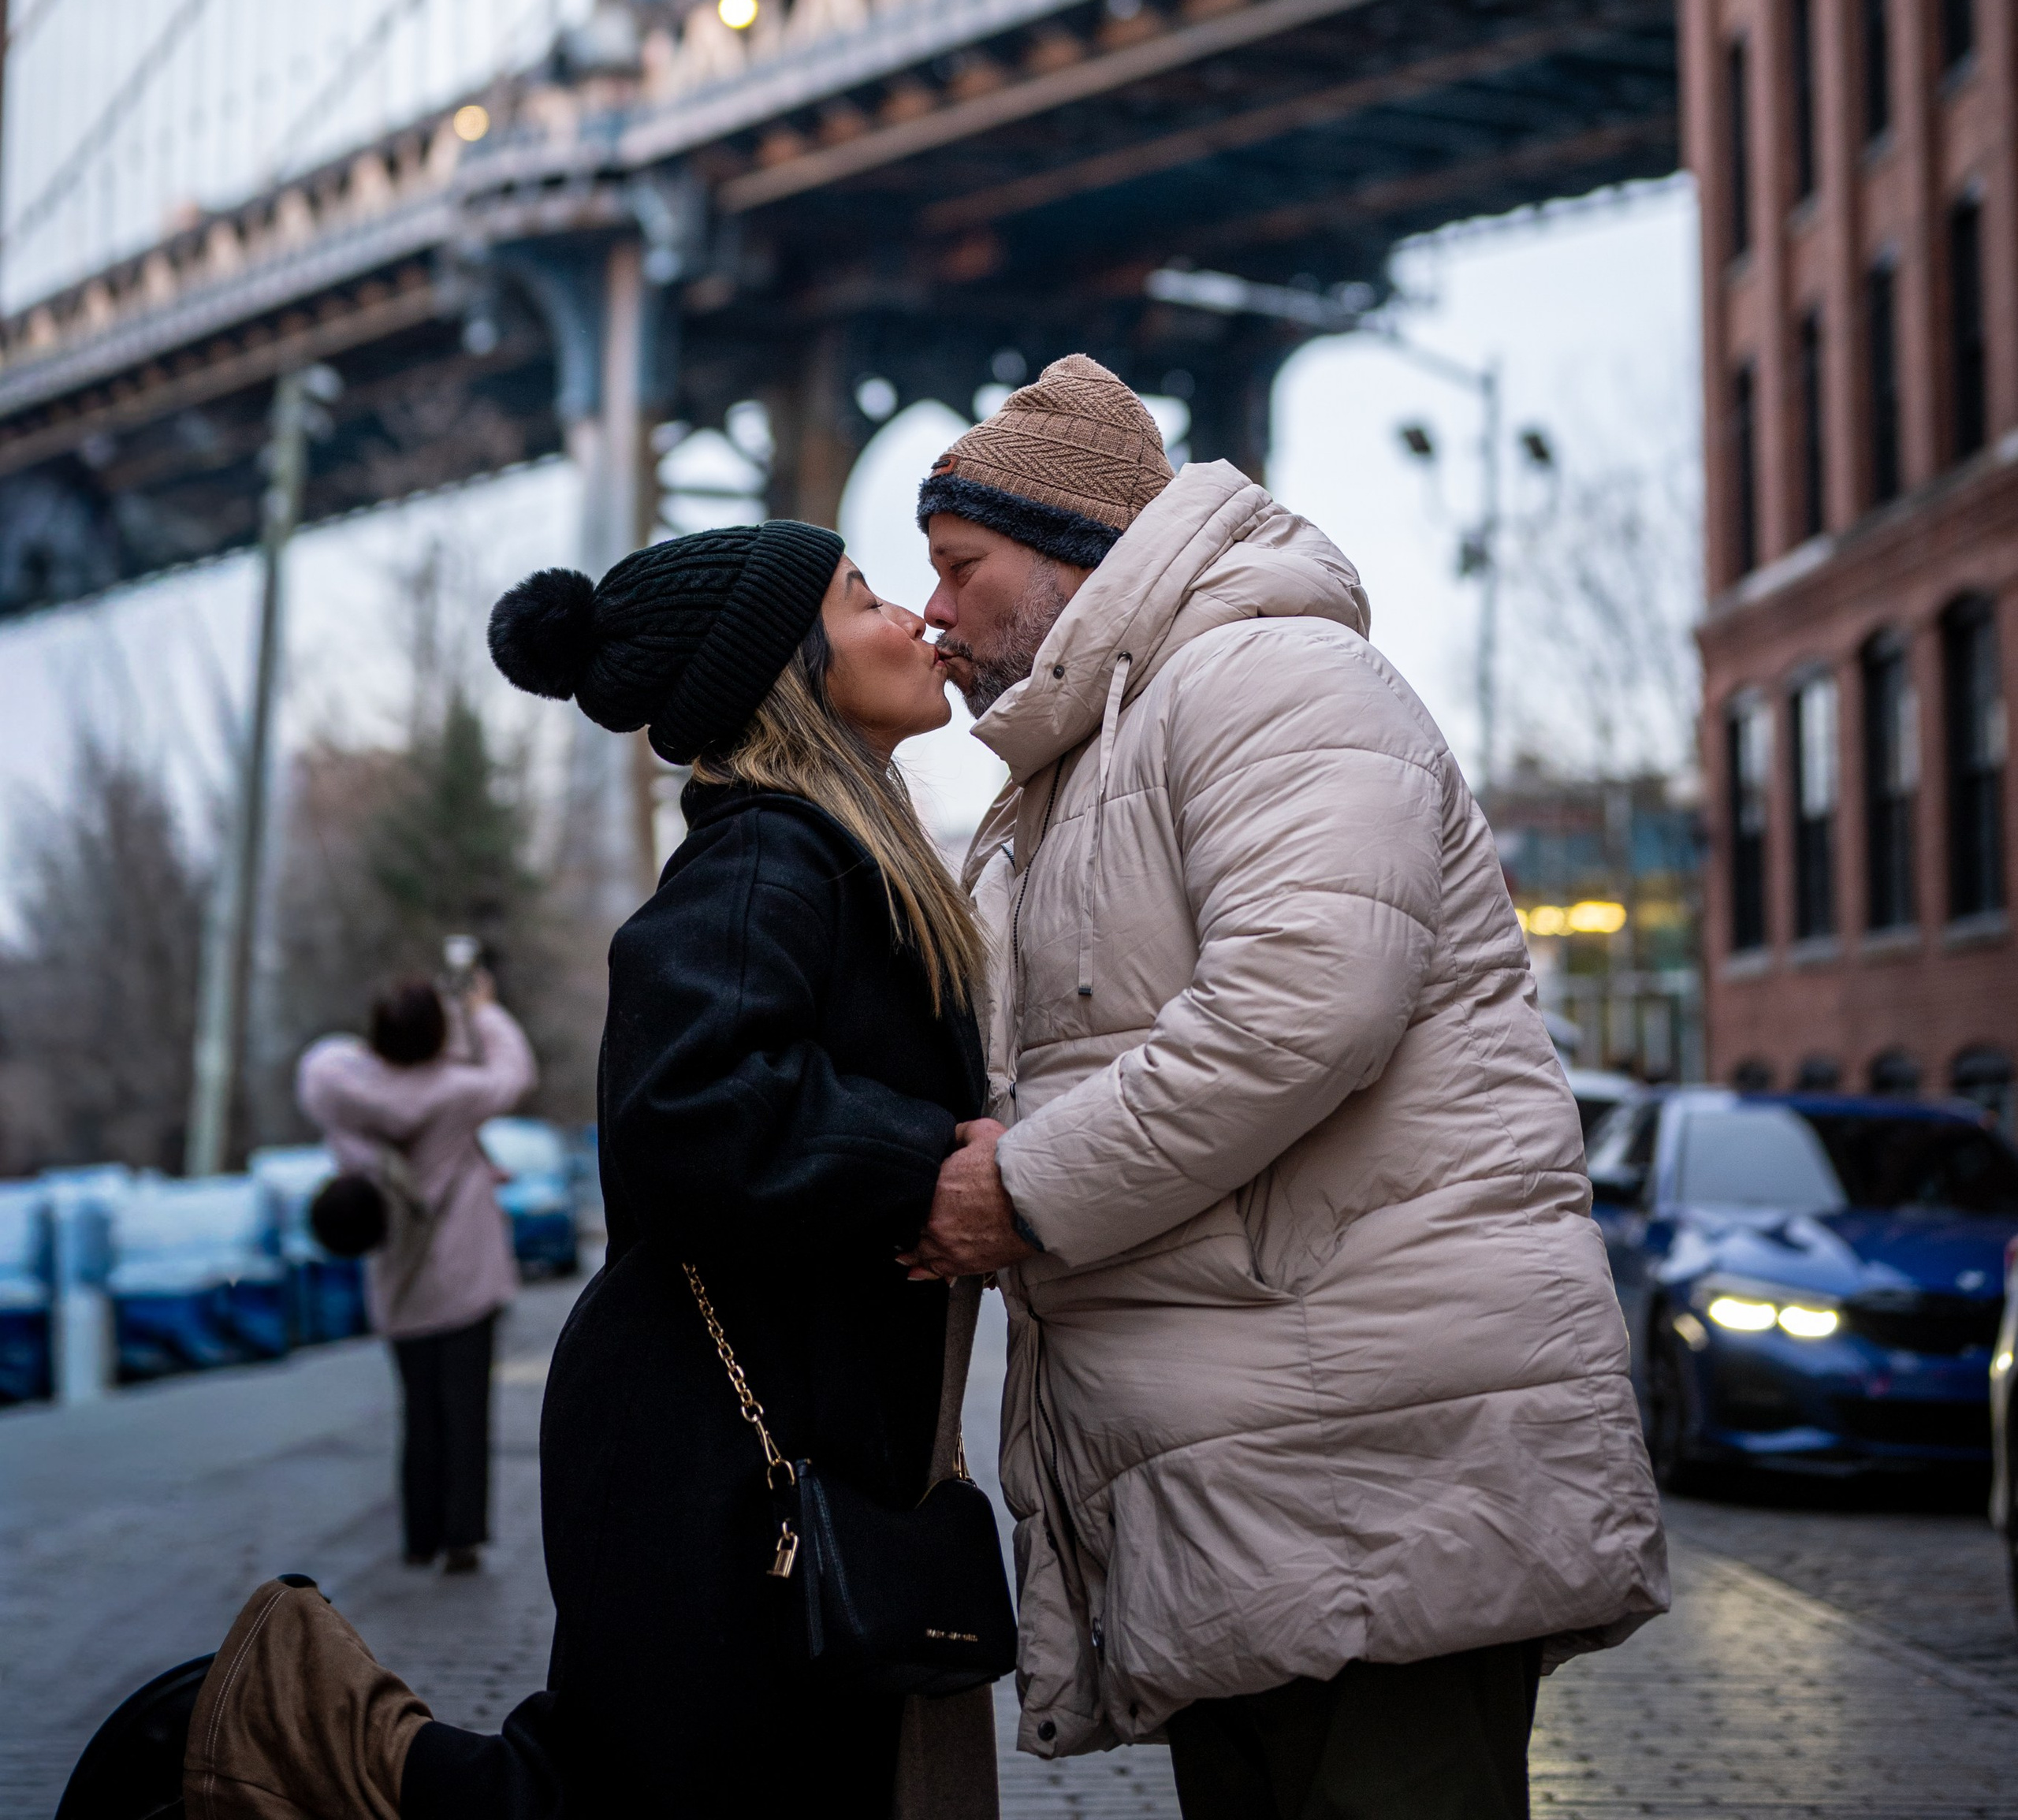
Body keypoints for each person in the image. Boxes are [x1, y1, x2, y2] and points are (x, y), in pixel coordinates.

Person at [56, 519, 988, 1820]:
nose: (913, 618)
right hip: (704, 1448)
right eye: (864, 596)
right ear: (791, 666)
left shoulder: (831, 852)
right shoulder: (765, 852)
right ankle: (268, 1720)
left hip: (772, 1431)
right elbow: (688, 1113)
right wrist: (931, 1160)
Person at [902, 354, 1669, 1820]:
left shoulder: (1272, 677)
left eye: (959, 565)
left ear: (1072, 554)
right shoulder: (1102, 749)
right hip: (1268, 1482)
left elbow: (1305, 1003)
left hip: (1377, 1473)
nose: (935, 611)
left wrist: (1019, 1186)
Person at [298, 966, 535, 1573]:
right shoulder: (456, 1092)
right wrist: (481, 1011)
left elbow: (319, 1062)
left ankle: (418, 1534)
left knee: (418, 1410)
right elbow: (515, 1073)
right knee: (466, 1408)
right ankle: (462, 1536)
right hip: (465, 1276)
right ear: (435, 1034)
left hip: (399, 1281)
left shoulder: (340, 1088)